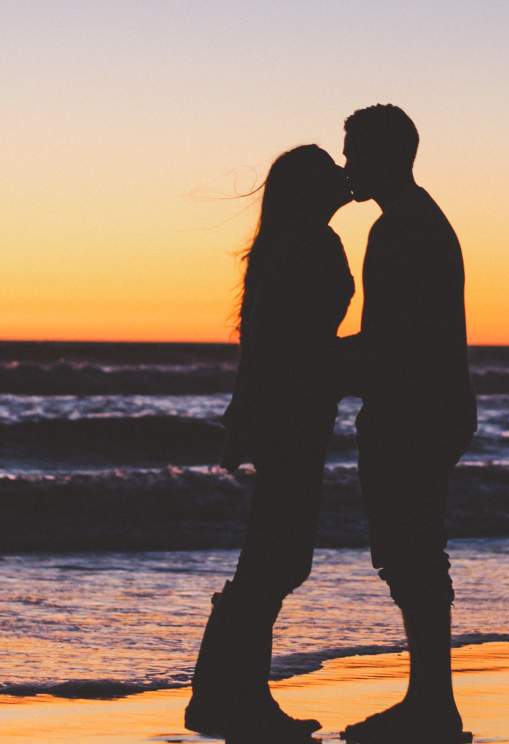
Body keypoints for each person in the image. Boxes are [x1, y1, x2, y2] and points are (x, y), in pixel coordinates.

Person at [185, 145, 354, 742]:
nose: (344, 176)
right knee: (277, 557)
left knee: (272, 555)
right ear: (311, 189)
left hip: (291, 411)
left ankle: (222, 695)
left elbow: (267, 339)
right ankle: (234, 698)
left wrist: (242, 416)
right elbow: (289, 343)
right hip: (294, 414)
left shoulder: (289, 241)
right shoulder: (307, 243)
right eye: (331, 172)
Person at [340, 104, 477, 743]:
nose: (347, 166)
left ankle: (432, 705)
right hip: (432, 405)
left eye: (355, 152)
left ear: (387, 156)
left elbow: (391, 338)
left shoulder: (401, 230)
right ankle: (430, 700)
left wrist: (310, 363)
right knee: (413, 552)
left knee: (411, 553)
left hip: (413, 409)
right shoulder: (417, 221)